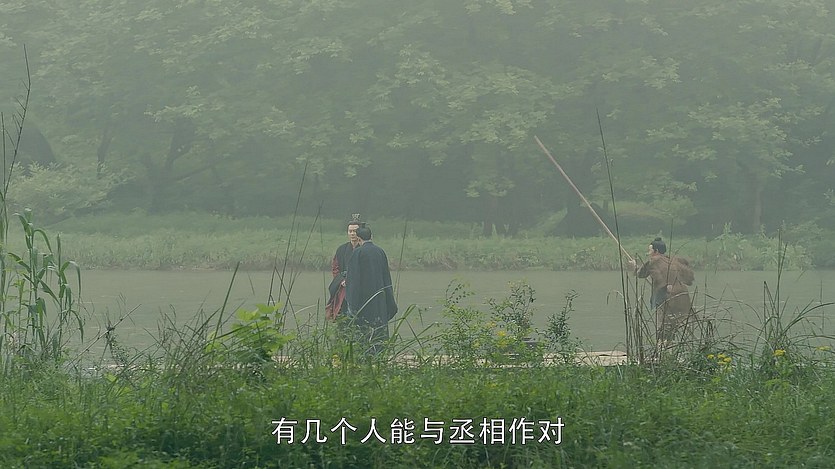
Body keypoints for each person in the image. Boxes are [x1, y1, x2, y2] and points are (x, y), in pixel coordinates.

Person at [629, 237, 695, 343]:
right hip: (682, 297)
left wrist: (634, 265)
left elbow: (641, 273)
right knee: (672, 325)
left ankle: (661, 348)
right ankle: (669, 347)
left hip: (666, 297)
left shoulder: (654, 261)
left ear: (656, 251)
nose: (649, 253)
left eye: (650, 250)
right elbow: (689, 277)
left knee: (663, 326)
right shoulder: (673, 260)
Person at [344, 226, 398, 355]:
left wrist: (352, 304)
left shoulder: (358, 253)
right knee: (379, 330)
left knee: (364, 331)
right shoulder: (380, 252)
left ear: (359, 238)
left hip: (364, 301)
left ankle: (366, 355)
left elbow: (353, 280)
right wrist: (389, 301)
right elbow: (386, 277)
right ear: (371, 236)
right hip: (380, 298)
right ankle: (381, 355)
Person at [325, 216, 363, 320]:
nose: (352, 234)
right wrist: (341, 280)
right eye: (350, 231)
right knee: (342, 313)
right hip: (343, 286)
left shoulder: (364, 249)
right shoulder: (341, 249)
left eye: (355, 231)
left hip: (360, 287)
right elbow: (335, 268)